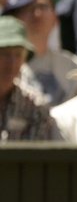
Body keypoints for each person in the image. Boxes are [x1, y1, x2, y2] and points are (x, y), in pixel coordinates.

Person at [4, 0, 77, 105]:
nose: (37, 14)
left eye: (43, 7)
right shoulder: (5, 66)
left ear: (55, 17)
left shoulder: (73, 67)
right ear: (12, 19)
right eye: (27, 8)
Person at [0, 13, 57, 141]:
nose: (12, 62)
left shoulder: (35, 106)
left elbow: (38, 156)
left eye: (18, 55)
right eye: (5, 54)